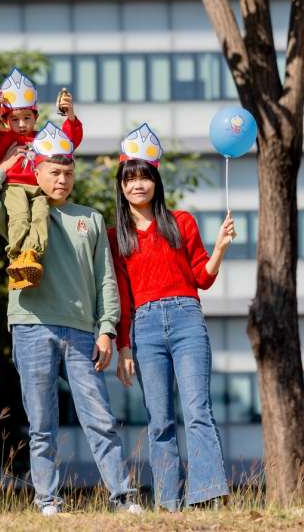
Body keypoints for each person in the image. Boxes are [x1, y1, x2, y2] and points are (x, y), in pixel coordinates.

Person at [0, 125, 141, 516]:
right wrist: (9, 165)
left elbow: (105, 280)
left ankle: (122, 496)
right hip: (31, 325)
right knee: (42, 423)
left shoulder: (91, 219)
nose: (61, 180)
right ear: (38, 172)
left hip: (82, 330)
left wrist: (107, 329)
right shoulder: (19, 211)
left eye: (67, 172)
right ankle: (47, 499)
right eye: (53, 172)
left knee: (99, 418)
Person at [109, 123, 235, 511]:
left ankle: (207, 494)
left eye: (144, 176)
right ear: (122, 186)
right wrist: (124, 346)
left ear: (155, 180)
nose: (137, 185)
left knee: (198, 410)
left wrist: (220, 249)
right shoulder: (117, 236)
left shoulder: (181, 222)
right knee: (159, 419)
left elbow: (202, 277)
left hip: (186, 319)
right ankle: (168, 503)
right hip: (144, 327)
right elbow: (124, 298)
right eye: (129, 179)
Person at [0, 68, 82, 289]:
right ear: (6, 121)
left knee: (41, 217)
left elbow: (67, 143)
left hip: (40, 191)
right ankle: (16, 258)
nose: (22, 124)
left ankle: (31, 256)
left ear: (36, 117)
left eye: (27, 118)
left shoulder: (43, 139)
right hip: (14, 187)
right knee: (20, 217)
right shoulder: (4, 140)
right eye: (14, 119)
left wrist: (70, 117)